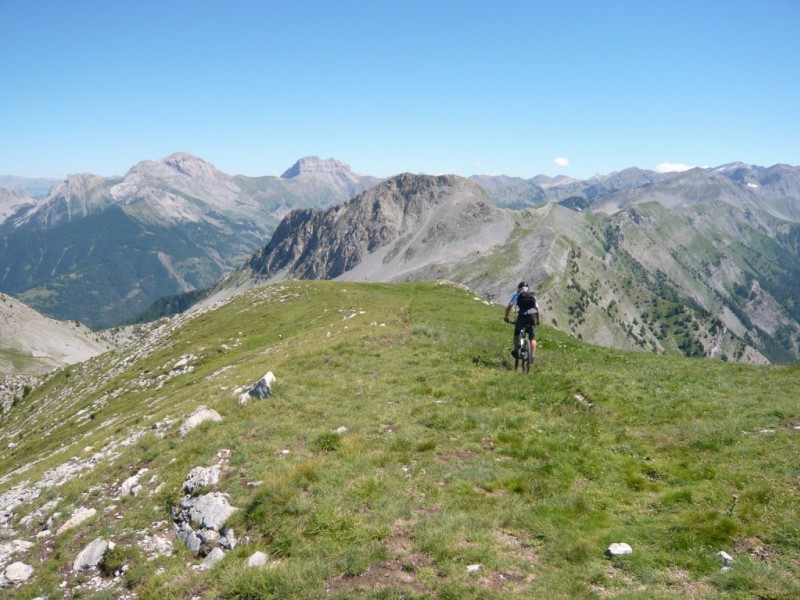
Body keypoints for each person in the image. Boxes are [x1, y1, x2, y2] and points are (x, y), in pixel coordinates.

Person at [504, 281, 540, 360]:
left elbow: (509, 307)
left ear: (519, 288)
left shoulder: (517, 295)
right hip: (532, 317)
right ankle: (532, 355)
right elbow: (537, 309)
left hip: (522, 316)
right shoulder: (533, 296)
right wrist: (537, 320)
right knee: (532, 338)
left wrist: (506, 317)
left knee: (517, 333)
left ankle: (516, 351)